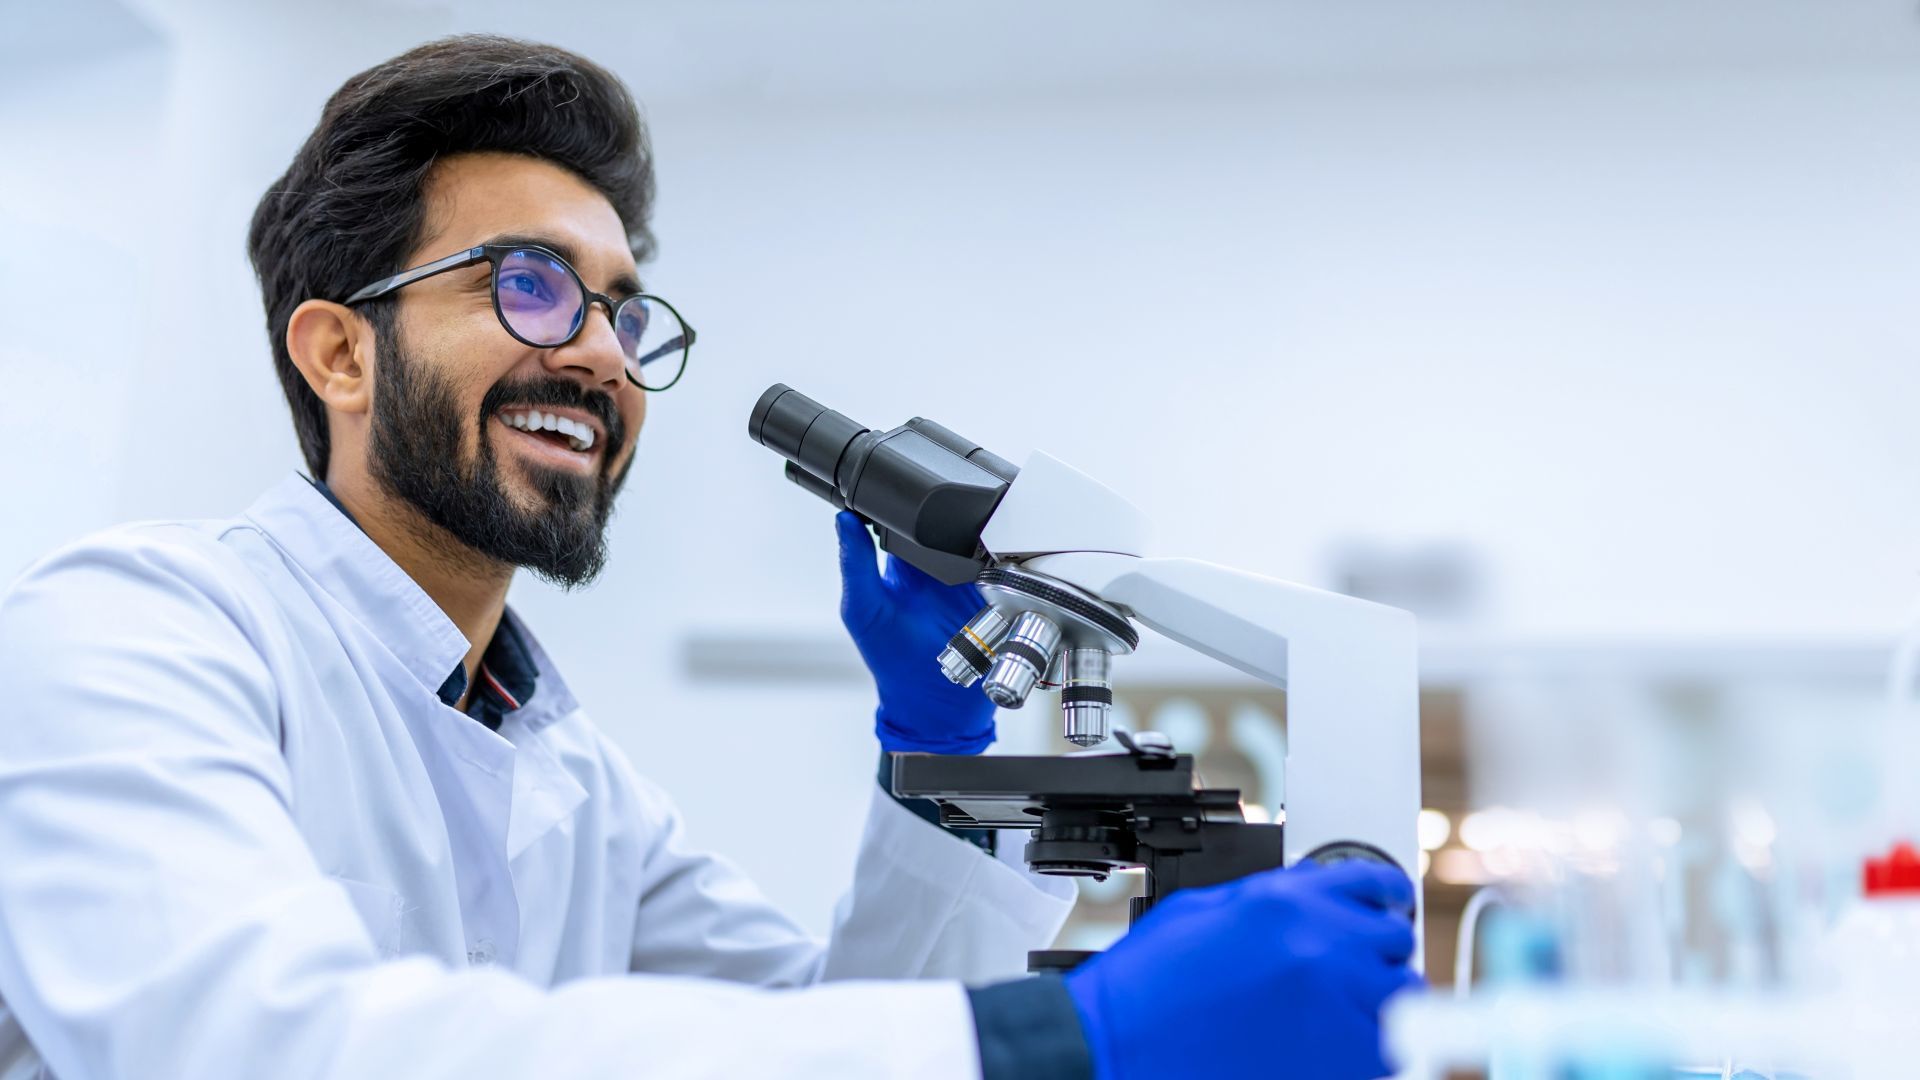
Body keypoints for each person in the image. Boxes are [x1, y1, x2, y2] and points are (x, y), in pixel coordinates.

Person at [0, 34, 1419, 1080]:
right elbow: (245, 1042)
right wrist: (1062, 1038)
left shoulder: (576, 780)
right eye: (530, 284)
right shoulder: (135, 633)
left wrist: (935, 772)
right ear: (338, 350)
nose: (603, 355)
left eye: (626, 312)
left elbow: (814, 1040)